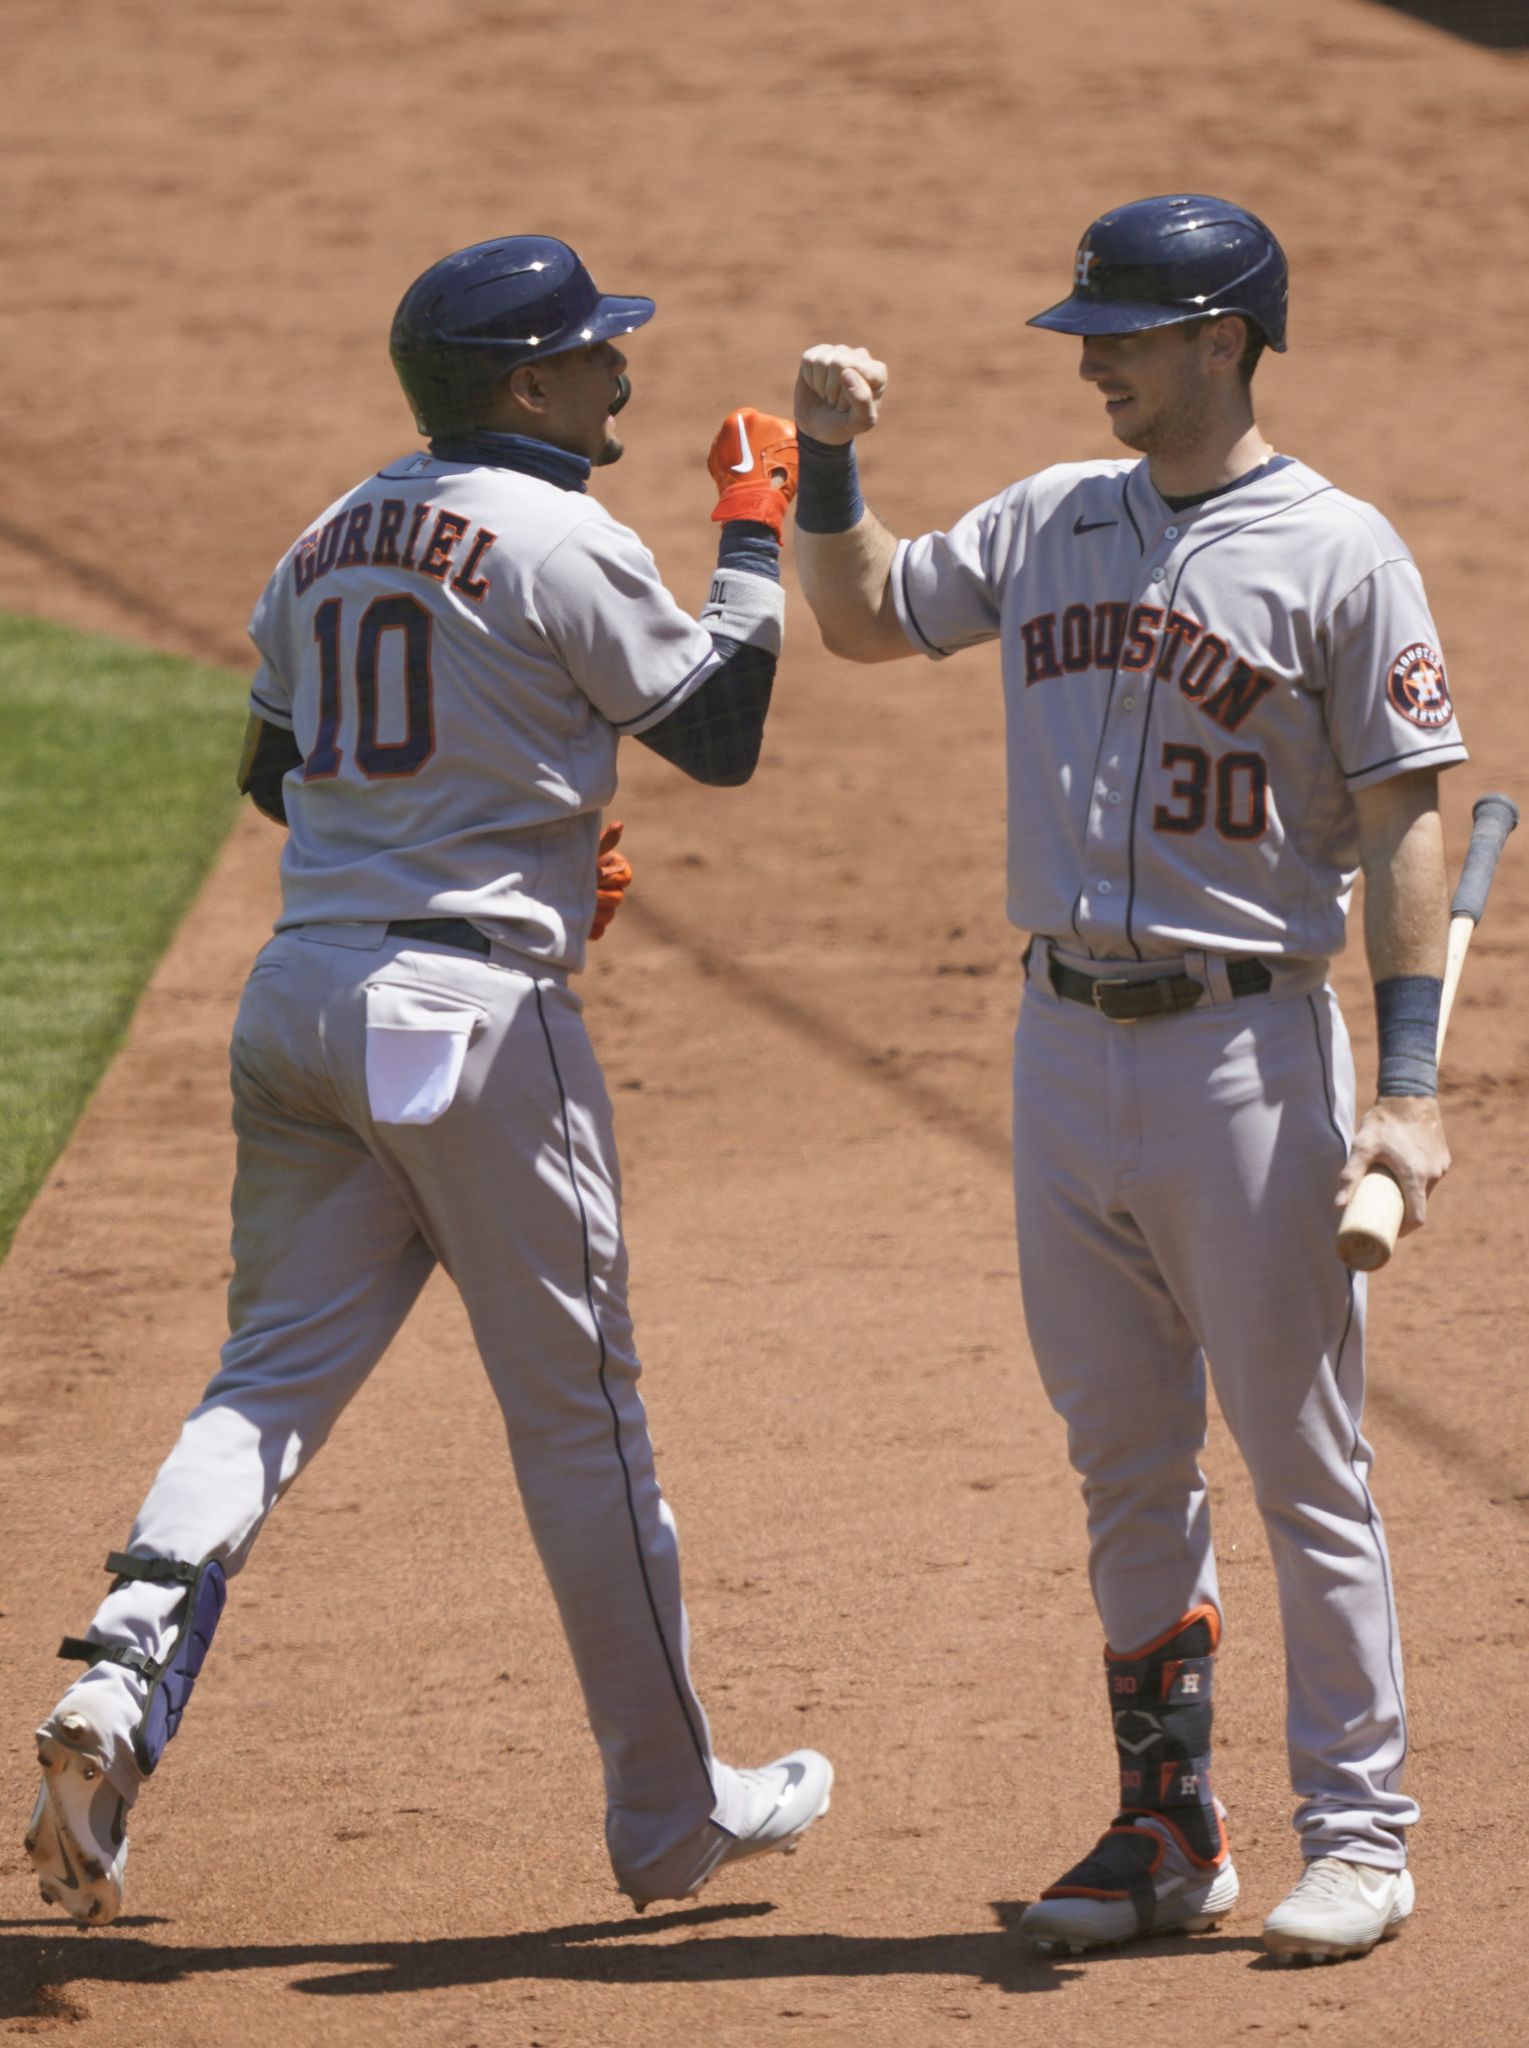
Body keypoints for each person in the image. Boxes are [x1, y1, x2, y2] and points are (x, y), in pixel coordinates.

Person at [26, 234, 831, 1928]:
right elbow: (723, 729)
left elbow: (275, 776)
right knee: (580, 1425)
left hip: (303, 998)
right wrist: (752, 526)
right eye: (598, 353)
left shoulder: (324, 534)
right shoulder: (563, 531)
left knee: (264, 1383)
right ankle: (670, 1813)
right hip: (468, 1019)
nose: (625, 372)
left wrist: (500, 826)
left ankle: (118, 1663)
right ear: (525, 385)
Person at [791, 195, 1464, 1964]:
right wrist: (830, 463)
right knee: (1122, 1460)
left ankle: (1363, 1835)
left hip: (1249, 1053)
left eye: (1123, 332)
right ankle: (1166, 1830)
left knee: (1301, 1457)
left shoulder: (1338, 551)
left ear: (1223, 339)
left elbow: (1406, 812)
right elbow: (861, 623)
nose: (1089, 357)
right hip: (1057, 1049)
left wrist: (1403, 1086)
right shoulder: (1048, 521)